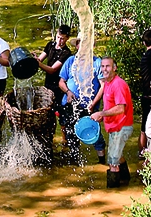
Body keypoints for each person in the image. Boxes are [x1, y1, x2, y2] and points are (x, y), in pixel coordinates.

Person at [57, 33, 105, 163]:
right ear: (77, 46)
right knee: (71, 134)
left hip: (90, 106)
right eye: (81, 44)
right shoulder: (70, 61)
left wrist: (94, 102)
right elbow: (61, 82)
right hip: (71, 104)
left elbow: (103, 86)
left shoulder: (97, 62)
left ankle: (102, 162)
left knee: (96, 134)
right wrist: (68, 92)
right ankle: (75, 160)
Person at [89, 57, 134, 188]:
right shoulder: (108, 83)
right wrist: (101, 115)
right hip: (114, 126)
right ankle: (126, 179)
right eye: (102, 66)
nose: (104, 69)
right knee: (117, 155)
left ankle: (113, 190)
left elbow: (121, 108)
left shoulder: (118, 84)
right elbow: (110, 105)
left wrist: (101, 114)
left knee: (113, 161)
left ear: (114, 68)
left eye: (107, 66)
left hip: (122, 126)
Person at [37, 25, 72, 112]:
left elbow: (52, 70)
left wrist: (38, 64)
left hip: (58, 86)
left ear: (67, 38)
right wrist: (35, 59)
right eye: (58, 37)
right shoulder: (50, 45)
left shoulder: (66, 53)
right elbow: (40, 58)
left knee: (57, 110)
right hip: (47, 83)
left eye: (62, 39)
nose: (59, 41)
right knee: (46, 109)